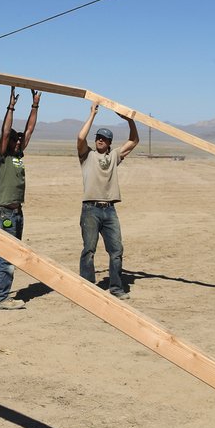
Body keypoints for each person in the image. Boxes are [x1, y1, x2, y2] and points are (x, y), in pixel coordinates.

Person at [0, 86, 40, 310]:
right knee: (8, 256)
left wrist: (35, 104)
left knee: (7, 254)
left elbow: (29, 131)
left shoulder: (19, 153)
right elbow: (6, 133)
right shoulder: (3, 156)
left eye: (19, 140)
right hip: (6, 212)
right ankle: (0, 298)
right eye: (14, 140)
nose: (18, 141)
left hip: (17, 212)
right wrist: (11, 106)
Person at [76, 102, 139, 300]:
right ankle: (87, 288)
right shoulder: (87, 155)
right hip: (91, 209)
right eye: (98, 138)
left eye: (104, 139)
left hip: (110, 210)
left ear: (110, 142)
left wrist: (130, 120)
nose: (100, 140)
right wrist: (92, 115)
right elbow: (80, 137)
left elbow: (134, 140)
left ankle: (116, 287)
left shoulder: (114, 156)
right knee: (89, 249)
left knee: (116, 250)